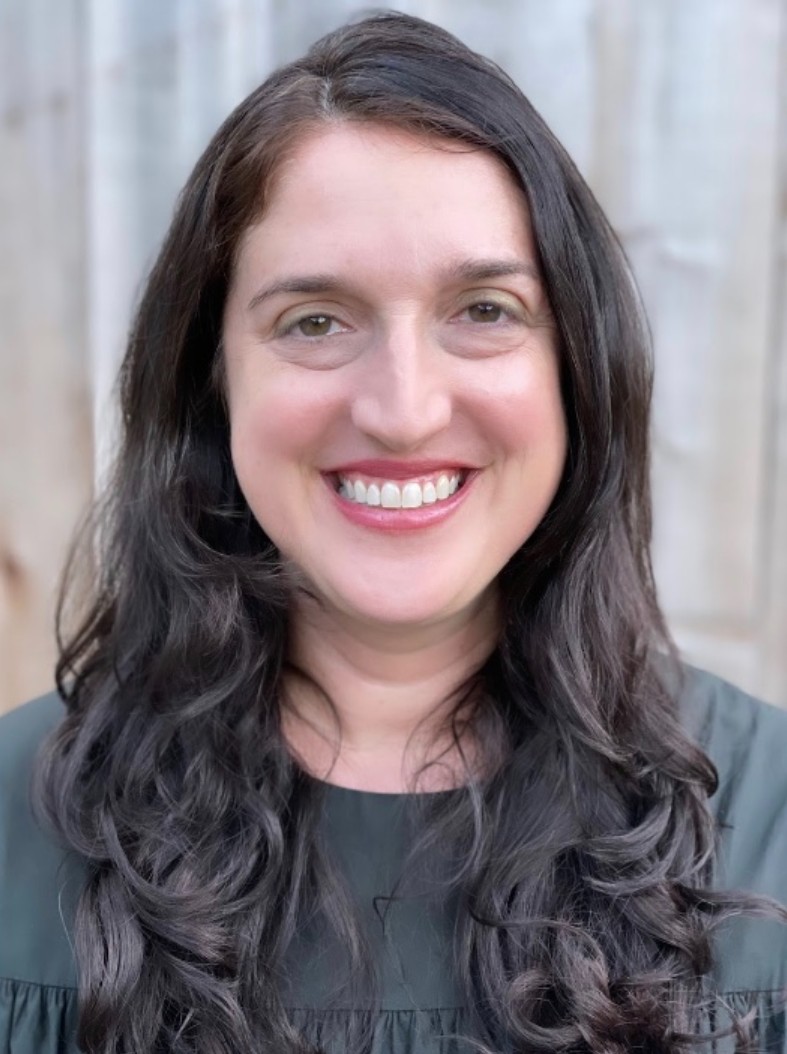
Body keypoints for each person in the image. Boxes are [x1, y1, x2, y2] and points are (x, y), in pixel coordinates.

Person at [1, 10, 785, 1054]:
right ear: (213, 380)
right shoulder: (12, 823)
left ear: (575, 369)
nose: (404, 409)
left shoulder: (771, 822)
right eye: (314, 321)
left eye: (484, 309)